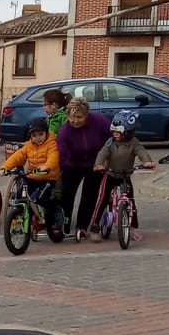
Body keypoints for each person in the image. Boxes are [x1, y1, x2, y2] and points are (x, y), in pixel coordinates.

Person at [57, 97, 112, 240]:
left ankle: (82, 226)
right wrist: (58, 171)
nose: (75, 120)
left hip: (95, 165)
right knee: (67, 196)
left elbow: (112, 140)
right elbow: (61, 153)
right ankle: (64, 224)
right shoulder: (64, 131)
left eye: (79, 117)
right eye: (72, 117)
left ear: (86, 115)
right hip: (72, 164)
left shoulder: (100, 122)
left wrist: (106, 160)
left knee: (89, 196)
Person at [93, 114, 155, 241]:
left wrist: (147, 162)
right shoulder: (110, 142)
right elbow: (103, 153)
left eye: (119, 132)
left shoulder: (134, 142)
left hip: (125, 175)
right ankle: (95, 227)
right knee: (102, 199)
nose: (115, 134)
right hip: (110, 173)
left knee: (131, 201)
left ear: (128, 132)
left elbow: (141, 151)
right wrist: (98, 164)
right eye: (114, 131)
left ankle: (134, 227)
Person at [0, 117, 63, 234]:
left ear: (46, 133)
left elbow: (54, 157)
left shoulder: (51, 144)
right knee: (20, 196)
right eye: (34, 135)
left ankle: (55, 214)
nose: (37, 138)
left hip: (48, 177)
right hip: (32, 177)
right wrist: (5, 167)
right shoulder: (29, 146)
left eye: (40, 134)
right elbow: (18, 156)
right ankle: (27, 217)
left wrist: (47, 166)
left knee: (41, 198)